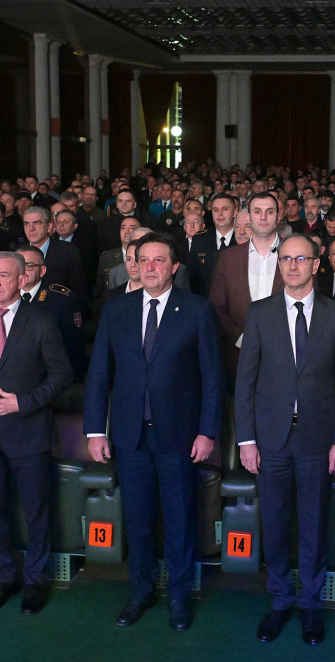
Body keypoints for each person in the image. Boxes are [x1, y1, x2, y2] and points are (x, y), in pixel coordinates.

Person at [84, 233, 222, 632]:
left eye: (158, 260)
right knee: (138, 519)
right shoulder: (117, 309)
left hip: (179, 436)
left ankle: (178, 596)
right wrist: (96, 430)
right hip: (129, 437)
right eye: (142, 259)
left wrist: (206, 431)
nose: (149, 267)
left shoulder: (195, 311)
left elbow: (212, 378)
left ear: (174, 267)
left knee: (179, 520)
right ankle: (140, 591)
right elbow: (98, 377)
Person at [235, 234, 335, 645]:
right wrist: (245, 439)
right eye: (285, 258)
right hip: (269, 439)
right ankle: (280, 600)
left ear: (315, 264)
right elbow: (245, 381)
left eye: (300, 258)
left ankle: (309, 604)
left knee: (314, 523)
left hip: (318, 440)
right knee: (274, 521)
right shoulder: (259, 314)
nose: (292, 266)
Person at [0, 250, 72, 615]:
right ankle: (5, 576)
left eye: (4, 276)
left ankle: (36, 580)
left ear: (22, 280)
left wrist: (23, 402)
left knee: (36, 511)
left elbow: (61, 376)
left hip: (29, 432)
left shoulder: (41, 321)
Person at [210, 191, 283, 374]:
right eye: (257, 211)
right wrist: (241, 338)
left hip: (286, 357)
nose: (263, 217)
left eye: (270, 211)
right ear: (249, 216)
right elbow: (216, 307)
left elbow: (311, 303)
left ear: (278, 216)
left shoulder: (296, 253)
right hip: (238, 358)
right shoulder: (228, 258)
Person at [15, 244, 87, 382]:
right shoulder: (6, 296)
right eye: (19, 265)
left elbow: (74, 346)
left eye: (29, 265)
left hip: (49, 381)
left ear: (42, 271)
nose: (23, 271)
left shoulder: (61, 300)